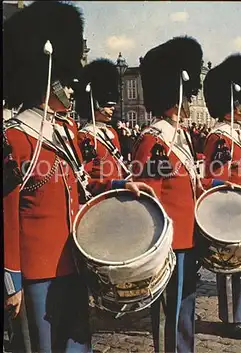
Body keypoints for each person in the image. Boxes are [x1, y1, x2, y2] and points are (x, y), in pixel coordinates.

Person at [3, 3, 155, 352]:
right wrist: (11, 279)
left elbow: (84, 183)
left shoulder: (65, 130)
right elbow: (7, 213)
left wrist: (120, 185)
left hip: (74, 258)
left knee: (77, 343)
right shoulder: (15, 138)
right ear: (45, 79)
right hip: (37, 267)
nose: (72, 92)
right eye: (65, 84)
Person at [132, 36, 225, 353]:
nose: (190, 103)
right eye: (187, 97)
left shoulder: (180, 136)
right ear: (175, 96)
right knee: (168, 313)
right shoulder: (155, 139)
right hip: (169, 243)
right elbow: (148, 200)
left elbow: (190, 184)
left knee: (185, 307)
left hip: (188, 239)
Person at [202, 53, 241, 340]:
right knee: (229, 264)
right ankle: (229, 318)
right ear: (229, 105)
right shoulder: (219, 137)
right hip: (229, 207)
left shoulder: (235, 134)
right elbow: (214, 176)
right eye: (240, 103)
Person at [74, 58, 130, 181]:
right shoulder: (85, 136)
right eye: (108, 106)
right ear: (95, 105)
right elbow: (86, 176)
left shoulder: (112, 132)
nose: (112, 109)